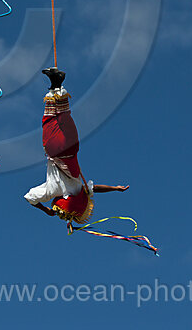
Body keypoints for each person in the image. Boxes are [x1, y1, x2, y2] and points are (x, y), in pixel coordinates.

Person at [24, 67, 129, 223]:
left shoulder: (79, 187)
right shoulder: (53, 190)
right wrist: (45, 210)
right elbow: (30, 197)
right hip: (56, 150)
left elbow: (94, 189)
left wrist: (115, 188)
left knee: (63, 115)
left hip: (73, 147)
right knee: (50, 120)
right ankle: (56, 83)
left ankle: (56, 82)